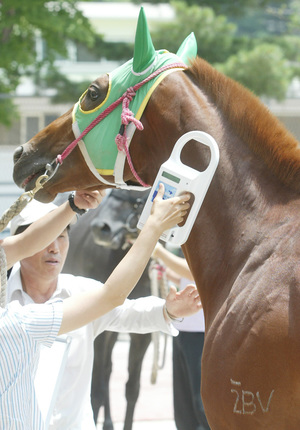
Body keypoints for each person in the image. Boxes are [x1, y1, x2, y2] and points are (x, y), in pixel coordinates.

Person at [6, 184, 200, 429]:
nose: (54, 248)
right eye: (44, 238)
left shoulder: (80, 291)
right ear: (22, 242)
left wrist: (168, 310)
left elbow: (125, 312)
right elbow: (111, 296)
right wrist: (154, 226)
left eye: (63, 236)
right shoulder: (8, 311)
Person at [152, 242, 210, 430]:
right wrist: (165, 273)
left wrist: (159, 252)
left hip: (201, 335)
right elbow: (187, 279)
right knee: (183, 404)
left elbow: (195, 272)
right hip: (183, 331)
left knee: (200, 404)